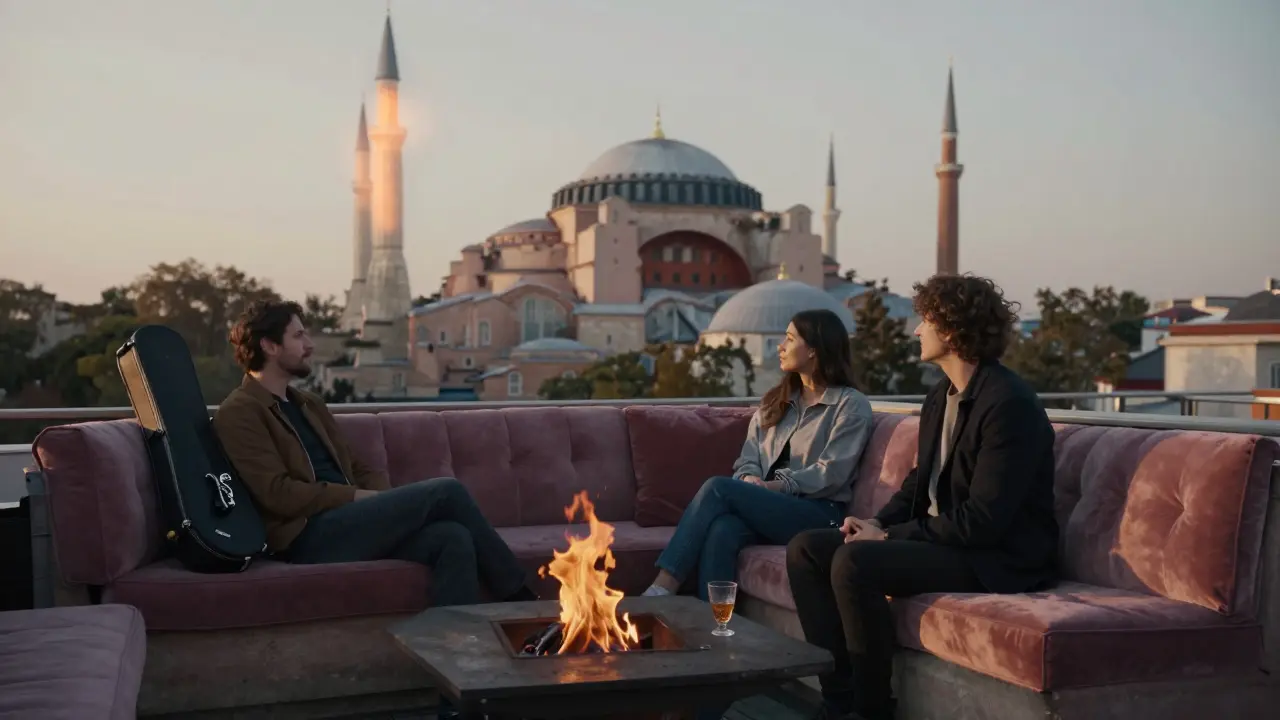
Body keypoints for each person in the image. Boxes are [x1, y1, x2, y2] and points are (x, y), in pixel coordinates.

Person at [785, 274, 1059, 720]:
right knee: (806, 549)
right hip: (945, 539)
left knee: (855, 563)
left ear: (951, 329)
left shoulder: (1009, 404)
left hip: (995, 557)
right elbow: (919, 482)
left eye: (925, 321)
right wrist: (877, 523)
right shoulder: (939, 397)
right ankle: (839, 698)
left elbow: (983, 520)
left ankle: (871, 710)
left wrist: (888, 539)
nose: (916, 330)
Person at [212, 299, 538, 609]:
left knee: (454, 538)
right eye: (298, 336)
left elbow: (357, 467)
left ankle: (454, 642)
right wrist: (356, 498)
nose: (309, 345)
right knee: (446, 491)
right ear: (269, 346)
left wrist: (385, 505)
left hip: (351, 523)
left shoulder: (308, 404)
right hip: (304, 536)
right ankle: (520, 599)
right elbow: (277, 494)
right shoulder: (240, 411)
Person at [640, 308, 875, 602]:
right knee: (724, 529)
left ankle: (664, 584)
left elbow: (831, 473)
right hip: (769, 506)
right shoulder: (775, 402)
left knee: (717, 487)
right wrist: (749, 479)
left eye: (790, 339)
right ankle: (713, 622)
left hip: (819, 513)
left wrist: (771, 486)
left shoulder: (849, 405)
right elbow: (748, 459)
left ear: (814, 349)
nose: (780, 347)